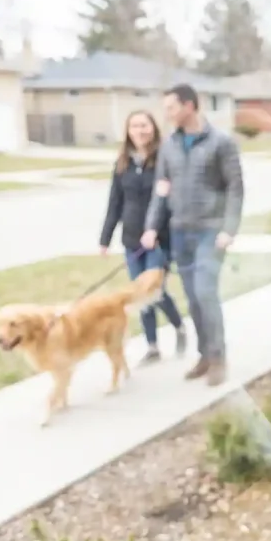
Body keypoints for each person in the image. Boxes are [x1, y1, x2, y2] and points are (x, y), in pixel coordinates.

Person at [141, 84, 244, 387]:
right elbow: (161, 188)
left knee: (205, 292)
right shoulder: (169, 146)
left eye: (171, 107)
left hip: (210, 231)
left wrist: (229, 229)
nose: (167, 114)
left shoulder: (221, 142)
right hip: (179, 231)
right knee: (193, 299)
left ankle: (218, 357)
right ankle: (204, 355)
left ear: (190, 106)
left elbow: (235, 188)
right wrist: (151, 226)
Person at [99, 110, 187, 364]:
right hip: (132, 239)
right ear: (128, 131)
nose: (140, 130)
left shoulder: (164, 160)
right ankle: (152, 347)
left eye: (144, 125)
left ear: (153, 128)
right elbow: (114, 203)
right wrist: (105, 239)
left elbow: (172, 201)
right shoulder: (123, 163)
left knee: (154, 290)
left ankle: (179, 327)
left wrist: (158, 231)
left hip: (160, 239)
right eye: (135, 126)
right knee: (139, 293)